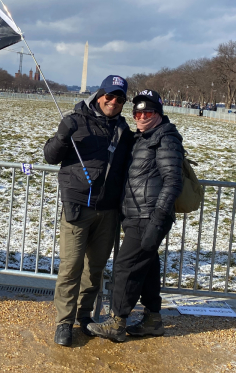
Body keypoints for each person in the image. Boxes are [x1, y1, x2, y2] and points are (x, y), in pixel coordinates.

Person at [87, 89, 184, 342]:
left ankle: (117, 322)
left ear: (158, 113)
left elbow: (173, 181)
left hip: (148, 216)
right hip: (136, 214)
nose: (140, 117)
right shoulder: (142, 136)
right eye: (137, 112)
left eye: (147, 112)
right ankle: (153, 319)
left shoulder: (165, 138)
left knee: (125, 268)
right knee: (148, 266)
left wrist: (157, 220)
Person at [44, 75, 133, 347]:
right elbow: (50, 156)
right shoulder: (75, 120)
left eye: (120, 99)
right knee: (71, 267)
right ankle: (63, 322)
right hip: (77, 207)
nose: (114, 102)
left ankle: (84, 315)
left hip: (107, 211)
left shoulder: (123, 129)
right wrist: (62, 135)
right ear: (98, 95)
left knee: (94, 270)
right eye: (110, 96)